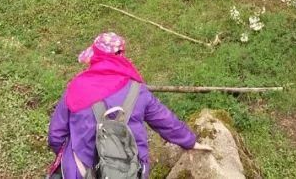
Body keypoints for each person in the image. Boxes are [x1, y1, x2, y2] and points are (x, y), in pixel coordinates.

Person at [47, 32, 205, 178]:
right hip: (130, 171)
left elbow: (55, 135)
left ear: (95, 57)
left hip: (81, 171)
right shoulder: (137, 90)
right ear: (121, 56)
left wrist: (70, 157)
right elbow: (165, 121)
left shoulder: (76, 88)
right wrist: (190, 141)